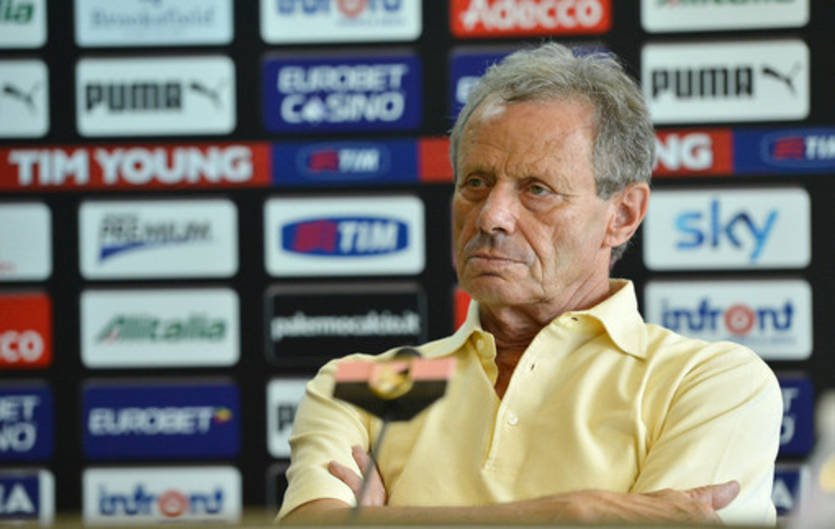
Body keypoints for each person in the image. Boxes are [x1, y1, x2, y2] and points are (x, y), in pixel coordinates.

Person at [278, 43, 782, 525]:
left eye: (537, 189)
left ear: (623, 215)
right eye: (476, 183)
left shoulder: (709, 383)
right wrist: (574, 515)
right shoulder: (359, 384)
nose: (491, 216)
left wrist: (384, 522)